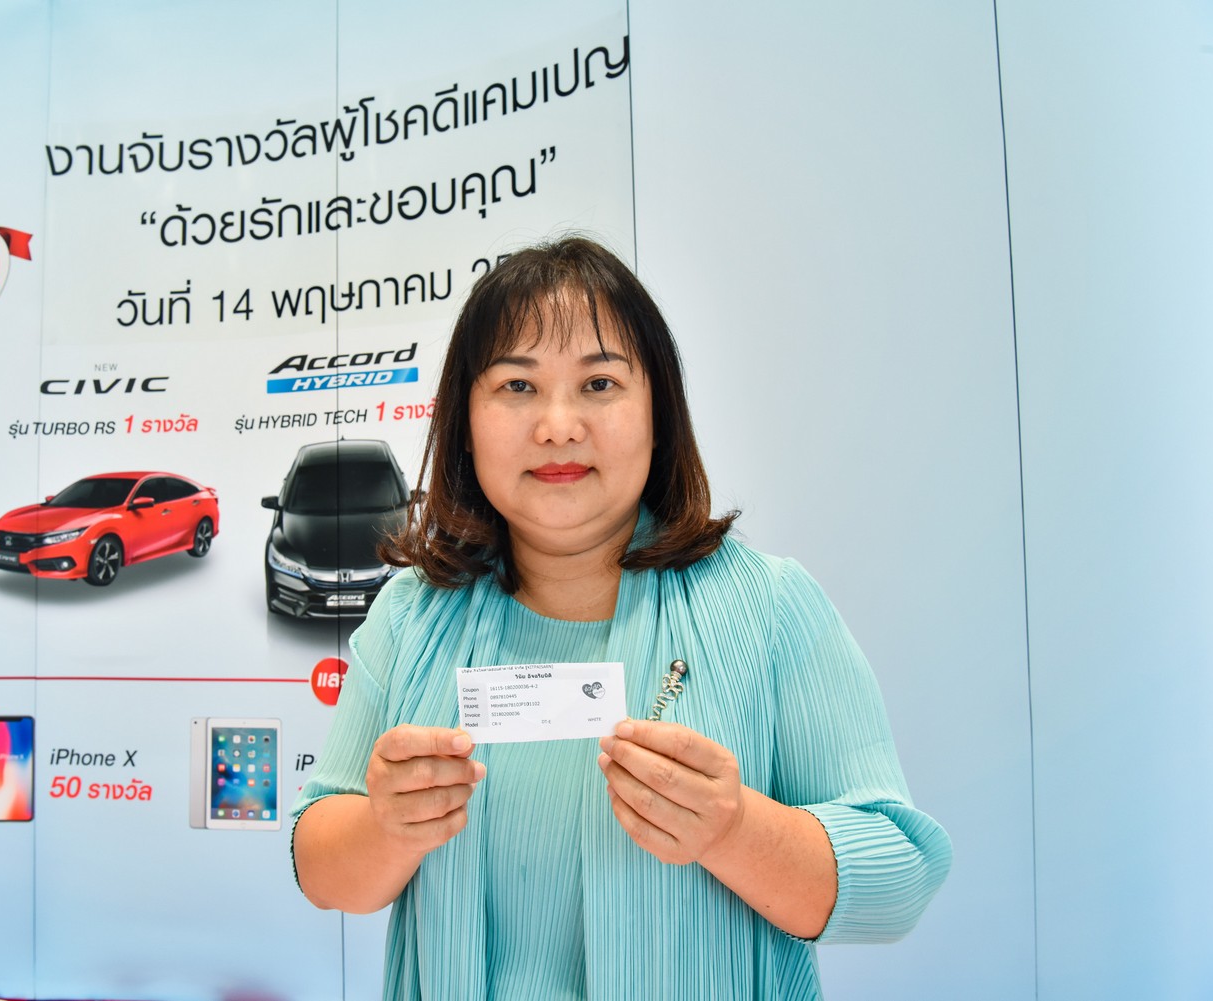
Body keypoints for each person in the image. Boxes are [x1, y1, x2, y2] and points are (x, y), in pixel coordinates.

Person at [290, 236, 952, 999]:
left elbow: (901, 880)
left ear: (658, 411)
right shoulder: (412, 613)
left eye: (599, 383)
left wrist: (736, 829)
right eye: (517, 385)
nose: (558, 425)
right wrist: (383, 825)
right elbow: (320, 868)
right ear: (465, 420)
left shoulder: (770, 605)